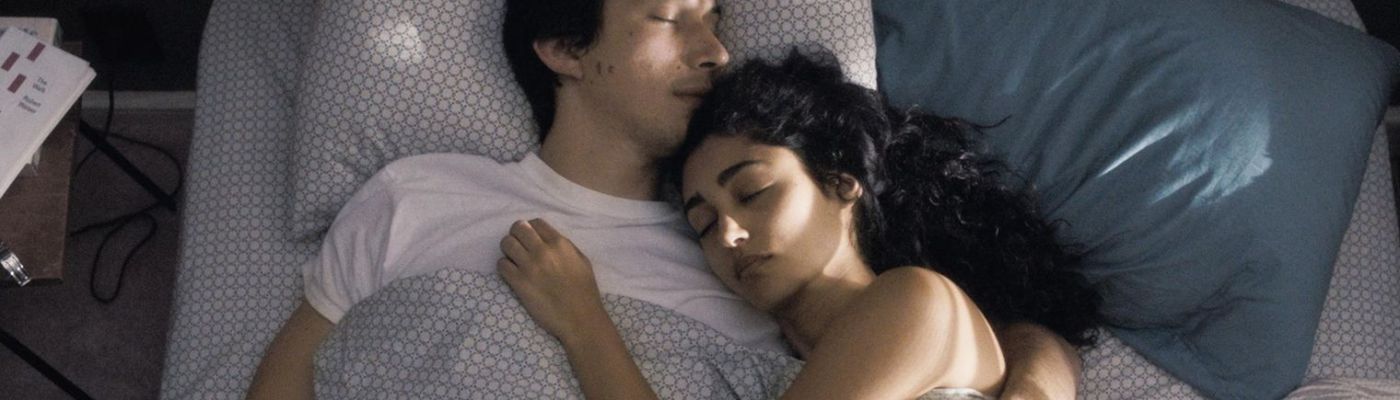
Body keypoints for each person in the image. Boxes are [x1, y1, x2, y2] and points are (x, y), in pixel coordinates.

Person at [248, 0, 1088, 398]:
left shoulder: (762, 278)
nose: (715, 50)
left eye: (713, 18)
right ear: (565, 48)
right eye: (668, 17)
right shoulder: (416, 197)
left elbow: (971, 325)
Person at [497, 52, 1101, 399]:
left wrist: (584, 324)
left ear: (841, 183)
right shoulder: (776, 363)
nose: (729, 234)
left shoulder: (916, 300)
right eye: (703, 224)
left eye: (753, 193)